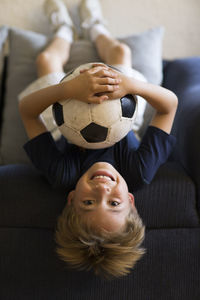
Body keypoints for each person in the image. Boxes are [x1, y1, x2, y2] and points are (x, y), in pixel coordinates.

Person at [18, 0, 178, 278]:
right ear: (130, 199)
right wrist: (129, 85)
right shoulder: (138, 170)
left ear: (71, 199)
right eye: (114, 204)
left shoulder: (61, 173)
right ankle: (94, 25)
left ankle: (64, 28)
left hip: (64, 122)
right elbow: (169, 106)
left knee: (45, 61)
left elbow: (28, 113)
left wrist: (68, 89)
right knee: (121, 51)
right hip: (125, 119)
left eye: (88, 203)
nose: (102, 192)